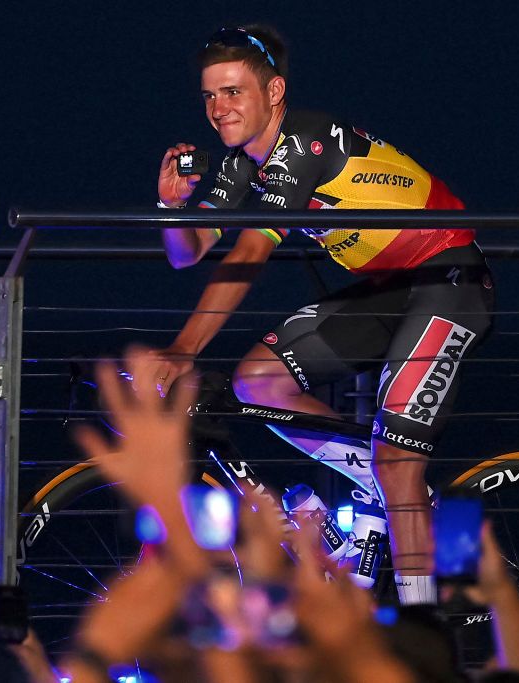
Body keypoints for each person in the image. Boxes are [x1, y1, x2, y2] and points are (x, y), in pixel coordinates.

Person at [153, 25, 495, 606]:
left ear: (274, 92)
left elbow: (250, 253)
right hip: (388, 290)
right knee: (259, 382)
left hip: (449, 282)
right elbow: (189, 252)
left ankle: (419, 633)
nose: (219, 109)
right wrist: (171, 205)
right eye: (210, 96)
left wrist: (185, 349)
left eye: (234, 92)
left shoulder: (303, 145)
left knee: (399, 465)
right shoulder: (242, 163)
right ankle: (377, 493)